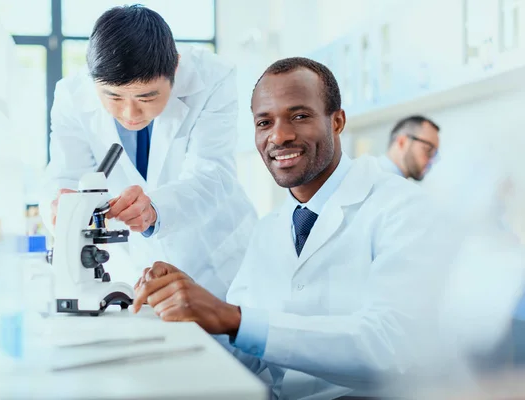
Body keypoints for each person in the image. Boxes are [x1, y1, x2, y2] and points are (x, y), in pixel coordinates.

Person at [132, 58, 458, 399]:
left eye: (299, 116)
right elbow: (245, 354)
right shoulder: (268, 229)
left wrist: (231, 318)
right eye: (264, 122)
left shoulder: (403, 207)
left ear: (337, 121)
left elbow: (392, 347)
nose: (280, 136)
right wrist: (182, 309)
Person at [39, 5, 256, 298]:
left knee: (228, 339)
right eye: (113, 97)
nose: (130, 113)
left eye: (146, 97)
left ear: (175, 67)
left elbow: (213, 173)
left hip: (216, 260)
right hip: (135, 267)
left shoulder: (212, 77)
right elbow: (64, 175)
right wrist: (61, 208)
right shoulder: (71, 95)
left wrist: (155, 209)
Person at [378, 115, 440, 180]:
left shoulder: (399, 184)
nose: (432, 160)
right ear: (402, 142)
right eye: (428, 150)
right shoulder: (372, 179)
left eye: (435, 154)